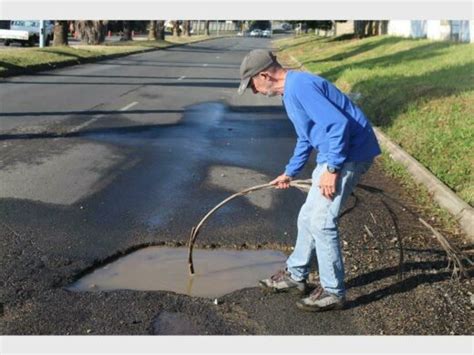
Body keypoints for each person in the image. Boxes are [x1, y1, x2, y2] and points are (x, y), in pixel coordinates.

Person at [237, 49, 381, 312]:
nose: (254, 92)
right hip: (333, 154)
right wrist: (290, 172)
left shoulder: (301, 86)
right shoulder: (289, 94)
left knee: (322, 223)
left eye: (253, 86)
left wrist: (333, 168)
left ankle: (333, 291)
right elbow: (307, 137)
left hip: (348, 155)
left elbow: (338, 125)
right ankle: (296, 274)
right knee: (306, 217)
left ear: (264, 75)